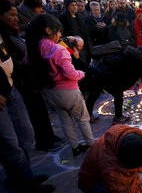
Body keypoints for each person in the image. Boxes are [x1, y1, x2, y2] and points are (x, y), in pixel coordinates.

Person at [0, 1, 55, 193]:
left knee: (24, 134)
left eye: (16, 14)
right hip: (3, 91)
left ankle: (25, 175)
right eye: (11, 15)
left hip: (11, 85)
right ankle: (24, 182)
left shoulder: (9, 33)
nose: (16, 18)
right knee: (10, 142)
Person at [26, 13, 95, 157]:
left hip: (50, 91)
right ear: (49, 31)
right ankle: (91, 145)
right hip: (68, 91)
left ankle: (75, 147)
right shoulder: (58, 49)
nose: (60, 35)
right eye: (58, 32)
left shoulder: (34, 48)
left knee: (65, 121)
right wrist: (81, 74)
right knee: (82, 118)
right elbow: (70, 73)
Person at [84, 46, 142, 125]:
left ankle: (88, 115)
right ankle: (118, 118)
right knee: (117, 92)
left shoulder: (127, 52)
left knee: (95, 92)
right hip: (106, 74)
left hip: (96, 70)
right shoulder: (138, 62)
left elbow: (126, 70)